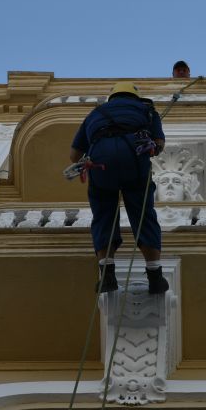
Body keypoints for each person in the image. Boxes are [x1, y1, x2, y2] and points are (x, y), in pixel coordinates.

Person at [70, 81, 169, 294]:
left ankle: (107, 276)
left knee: (104, 214)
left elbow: (74, 155)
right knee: (143, 213)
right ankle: (155, 275)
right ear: (135, 96)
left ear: (112, 97)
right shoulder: (147, 110)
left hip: (101, 161)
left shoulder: (95, 113)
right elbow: (159, 143)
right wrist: (153, 147)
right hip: (133, 159)